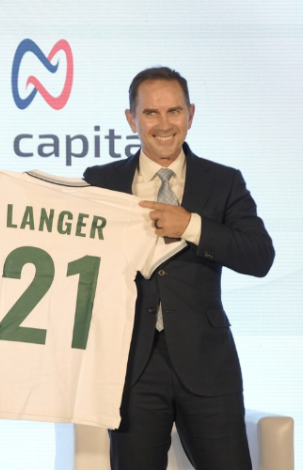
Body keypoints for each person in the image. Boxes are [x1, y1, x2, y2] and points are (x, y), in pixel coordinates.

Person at [83, 67, 275, 469]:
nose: (164, 124)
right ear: (131, 119)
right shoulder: (100, 182)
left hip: (208, 364)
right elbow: (46, 221)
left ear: (190, 114)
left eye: (174, 111)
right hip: (130, 367)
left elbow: (259, 256)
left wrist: (191, 226)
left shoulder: (223, 182)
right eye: (150, 113)